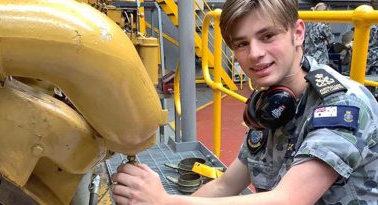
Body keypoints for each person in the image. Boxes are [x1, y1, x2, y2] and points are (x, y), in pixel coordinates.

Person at [111, 0, 378, 204]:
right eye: (241, 44)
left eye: (267, 36)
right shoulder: (271, 104)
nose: (255, 54)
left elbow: (288, 199)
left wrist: (165, 201)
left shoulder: (341, 104)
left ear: (297, 33)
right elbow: (224, 186)